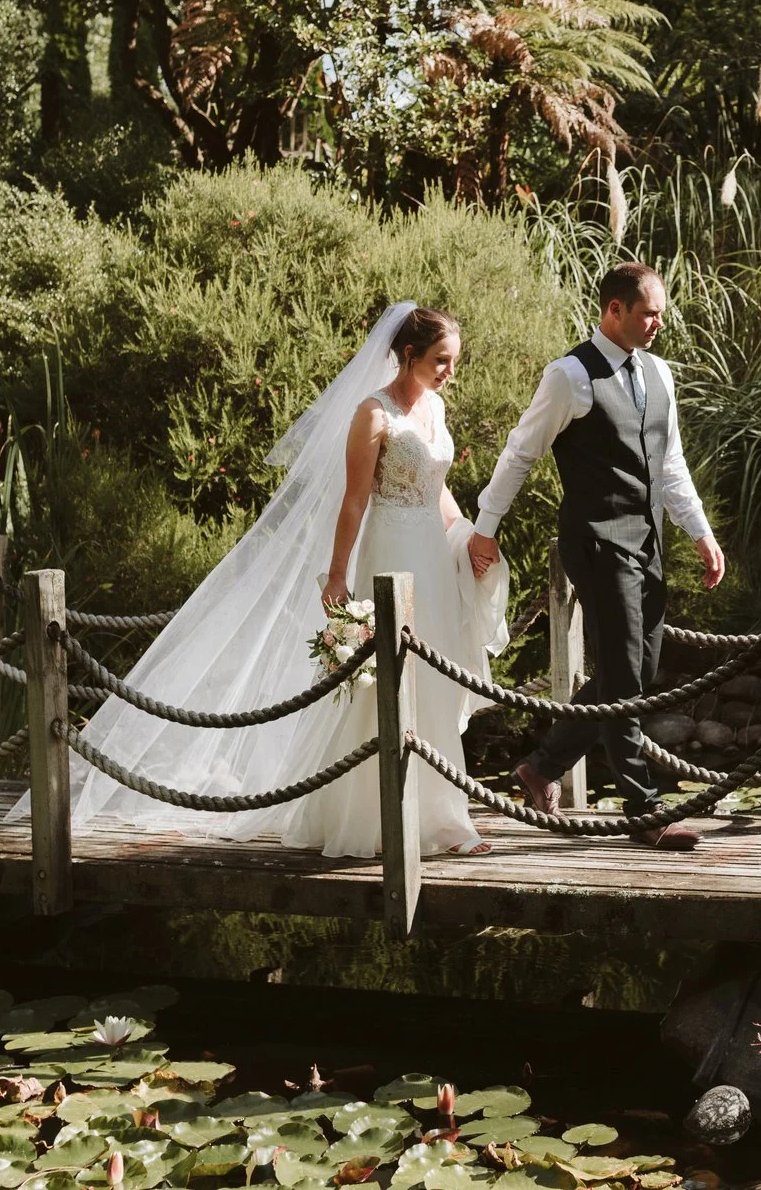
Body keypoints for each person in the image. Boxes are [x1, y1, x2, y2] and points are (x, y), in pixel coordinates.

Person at [39, 303, 508, 857]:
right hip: (390, 552)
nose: (450, 370)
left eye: (452, 360)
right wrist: (337, 576)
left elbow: (438, 486)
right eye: (441, 359)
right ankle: (370, 818)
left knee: (429, 677)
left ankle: (443, 821)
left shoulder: (437, 408)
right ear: (409, 355)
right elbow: (354, 502)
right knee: (386, 679)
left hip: (430, 551)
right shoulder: (373, 414)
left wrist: (471, 537)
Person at [469, 262, 726, 850]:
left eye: (660, 312)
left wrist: (700, 532)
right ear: (614, 311)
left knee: (633, 671)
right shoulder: (569, 376)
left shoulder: (659, 374)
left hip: (649, 541)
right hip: (595, 541)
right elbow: (520, 453)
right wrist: (486, 526)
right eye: (648, 313)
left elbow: (670, 465)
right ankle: (646, 812)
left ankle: (542, 765)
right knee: (626, 675)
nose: (659, 322)